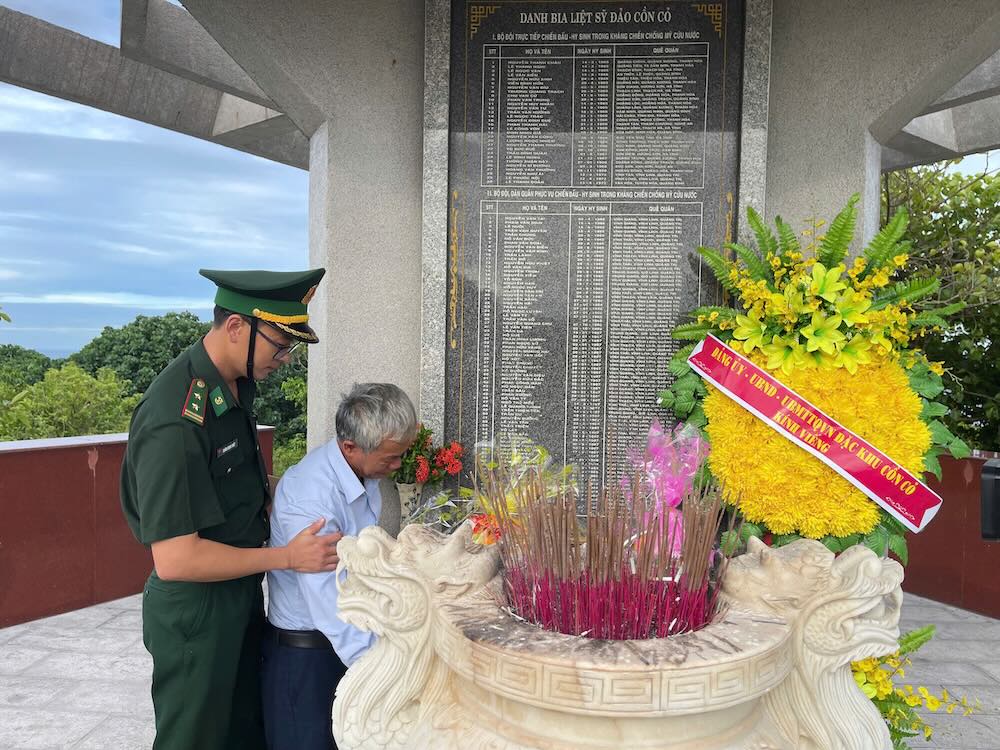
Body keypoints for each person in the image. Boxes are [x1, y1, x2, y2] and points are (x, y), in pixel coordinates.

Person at [120, 268, 341, 750]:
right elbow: (178, 560)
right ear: (237, 327)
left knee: (243, 733)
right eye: (279, 346)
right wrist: (288, 557)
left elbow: (243, 487)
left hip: (237, 591)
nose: (284, 360)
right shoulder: (175, 421)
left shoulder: (232, 386)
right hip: (196, 613)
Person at [262, 382, 417, 750]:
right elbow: (328, 602)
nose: (397, 466)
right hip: (307, 655)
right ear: (350, 447)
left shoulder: (362, 470)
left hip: (343, 642)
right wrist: (388, 671)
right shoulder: (312, 496)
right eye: (390, 458)